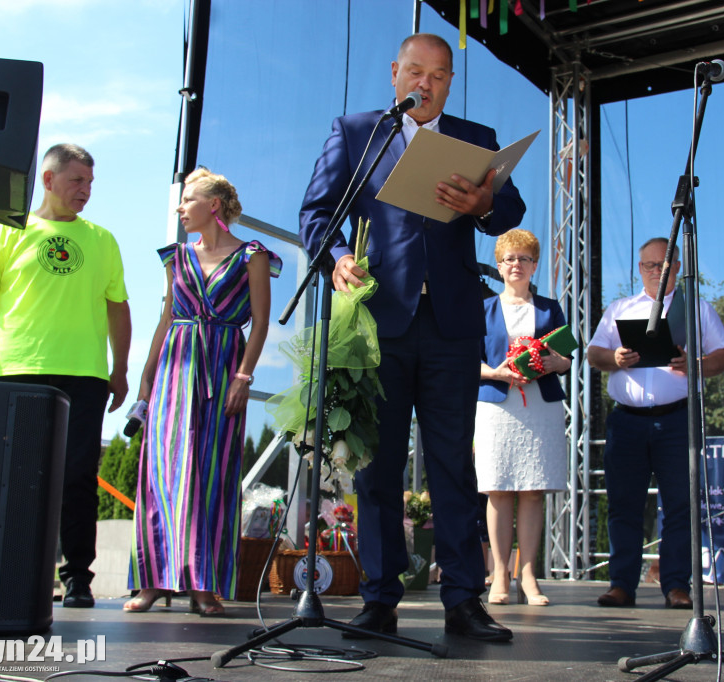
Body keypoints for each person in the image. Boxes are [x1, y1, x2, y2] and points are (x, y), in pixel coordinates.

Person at [299, 33, 525, 642]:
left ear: (450, 82)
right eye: (416, 72)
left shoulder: (474, 138)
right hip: (378, 323)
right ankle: (379, 598)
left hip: (451, 326)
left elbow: (510, 211)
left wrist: (483, 203)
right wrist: (339, 257)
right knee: (377, 470)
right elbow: (316, 214)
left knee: (453, 464)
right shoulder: (356, 131)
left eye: (440, 75)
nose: (426, 83)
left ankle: (463, 599)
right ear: (395, 73)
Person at [0, 143, 131, 609]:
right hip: (17, 372)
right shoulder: (8, 233)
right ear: (48, 180)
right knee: (17, 477)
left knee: (78, 478)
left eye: (90, 183)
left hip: (85, 377)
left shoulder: (103, 240)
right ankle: (14, 573)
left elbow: (118, 308)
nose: (85, 191)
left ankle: (78, 580)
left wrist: (120, 369)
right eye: (76, 181)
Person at [123, 168, 281, 617]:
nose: (179, 207)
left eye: (187, 199)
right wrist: (146, 381)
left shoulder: (253, 255)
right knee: (161, 476)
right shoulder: (175, 256)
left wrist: (244, 378)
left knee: (212, 475)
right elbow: (165, 321)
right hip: (174, 370)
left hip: (224, 366)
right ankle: (153, 581)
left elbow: (261, 323)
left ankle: (204, 585)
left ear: (213, 205)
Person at [587, 237, 724, 609]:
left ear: (677, 267)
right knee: (623, 504)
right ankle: (621, 584)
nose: (657, 271)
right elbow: (593, 353)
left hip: (677, 419)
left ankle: (676, 586)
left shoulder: (695, 309)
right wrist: (615, 357)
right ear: (639, 269)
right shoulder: (620, 309)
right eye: (650, 265)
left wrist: (696, 363)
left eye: (664, 265)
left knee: (681, 505)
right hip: (628, 421)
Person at [475, 229, 571, 607]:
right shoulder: (482, 309)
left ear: (534, 265)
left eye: (524, 258)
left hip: (541, 406)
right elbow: (469, 361)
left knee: (533, 489)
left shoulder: (550, 308)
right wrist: (497, 373)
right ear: (499, 266)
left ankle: (527, 574)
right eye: (509, 259)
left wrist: (553, 363)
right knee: (498, 489)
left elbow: (566, 358)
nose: (517, 264)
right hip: (497, 406)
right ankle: (499, 572)